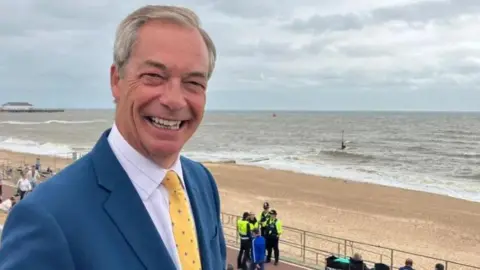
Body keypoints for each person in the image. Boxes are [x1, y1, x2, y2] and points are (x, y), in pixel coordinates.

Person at [0, 5, 226, 270]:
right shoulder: (48, 217)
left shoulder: (201, 182)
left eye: (193, 83)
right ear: (116, 80)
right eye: (154, 76)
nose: (174, 100)